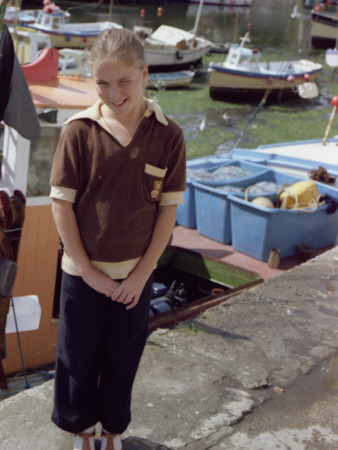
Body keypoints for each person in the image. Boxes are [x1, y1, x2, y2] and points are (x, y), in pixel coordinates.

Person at [49, 27, 186, 450]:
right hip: (82, 276)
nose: (113, 92)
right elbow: (61, 206)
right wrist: (87, 272)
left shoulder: (168, 135)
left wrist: (141, 276)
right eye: (103, 83)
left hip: (135, 279)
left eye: (123, 81)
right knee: (77, 359)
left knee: (122, 359)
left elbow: (167, 212)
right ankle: (82, 432)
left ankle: (112, 433)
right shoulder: (79, 132)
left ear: (144, 73)